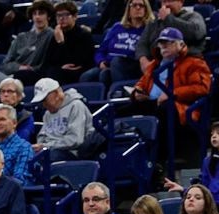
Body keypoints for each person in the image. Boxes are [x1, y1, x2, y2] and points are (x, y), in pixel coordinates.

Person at [119, 28, 211, 163]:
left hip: (180, 107)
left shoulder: (195, 63)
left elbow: (203, 88)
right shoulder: (154, 64)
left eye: (169, 43)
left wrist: (172, 94)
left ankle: (158, 161)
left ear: (180, 44)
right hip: (151, 103)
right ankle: (126, 160)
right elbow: (141, 83)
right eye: (161, 43)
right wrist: (137, 92)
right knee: (119, 112)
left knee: (164, 110)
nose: (163, 46)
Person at [165, 121, 219, 214]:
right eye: (212, 134)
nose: (214, 136)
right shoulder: (208, 162)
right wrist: (183, 190)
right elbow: (204, 189)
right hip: (211, 208)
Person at [80, 0, 153, 87]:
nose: (137, 8)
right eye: (134, 5)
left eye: (141, 5)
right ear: (128, 10)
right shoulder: (117, 27)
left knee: (113, 65)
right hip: (108, 64)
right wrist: (101, 62)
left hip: (132, 65)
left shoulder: (149, 29)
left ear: (146, 10)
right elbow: (101, 50)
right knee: (87, 77)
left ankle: (121, 92)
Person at [31, 78, 100, 162]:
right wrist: (39, 147)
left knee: (46, 157)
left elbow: (75, 140)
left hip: (72, 153)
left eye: (45, 100)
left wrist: (46, 146)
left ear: (56, 93)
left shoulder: (76, 105)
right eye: (41, 101)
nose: (44, 104)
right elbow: (42, 137)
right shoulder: (47, 114)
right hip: (51, 151)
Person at [135, 0, 206, 73]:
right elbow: (142, 43)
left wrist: (168, 18)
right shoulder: (155, 21)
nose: (166, 5)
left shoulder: (193, 16)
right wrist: (143, 61)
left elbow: (196, 33)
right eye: (164, 2)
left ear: (181, 2)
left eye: (170, 1)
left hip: (184, 67)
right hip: (155, 68)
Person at [0, 0, 54, 87]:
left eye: (41, 13)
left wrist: (29, 69)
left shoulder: (52, 36)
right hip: (10, 73)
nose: (37, 17)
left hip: (28, 76)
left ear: (49, 17)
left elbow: (46, 66)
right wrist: (19, 67)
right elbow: (5, 65)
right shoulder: (21, 37)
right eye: (35, 14)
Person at [41, 1, 95, 86]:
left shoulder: (84, 35)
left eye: (65, 14)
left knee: (55, 74)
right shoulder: (55, 35)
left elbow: (76, 62)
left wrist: (61, 43)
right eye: (58, 15)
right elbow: (48, 62)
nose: (61, 18)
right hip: (59, 71)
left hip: (78, 72)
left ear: (75, 16)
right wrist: (60, 67)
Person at [0, 78, 34, 145]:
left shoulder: (26, 116)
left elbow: (23, 138)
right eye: (2, 91)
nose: (5, 94)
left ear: (19, 95)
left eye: (10, 91)